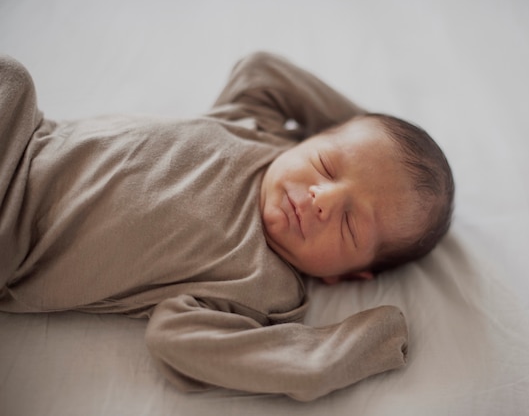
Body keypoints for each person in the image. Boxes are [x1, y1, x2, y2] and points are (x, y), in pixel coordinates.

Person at [0, 51, 454, 401]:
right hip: (25, 135)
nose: (323, 199)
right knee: (12, 75)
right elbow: (262, 69)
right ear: (311, 136)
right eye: (326, 163)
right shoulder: (253, 125)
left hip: (15, 235)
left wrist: (340, 351)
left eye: (351, 224)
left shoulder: (264, 287)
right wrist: (369, 130)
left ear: (347, 274)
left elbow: (176, 338)